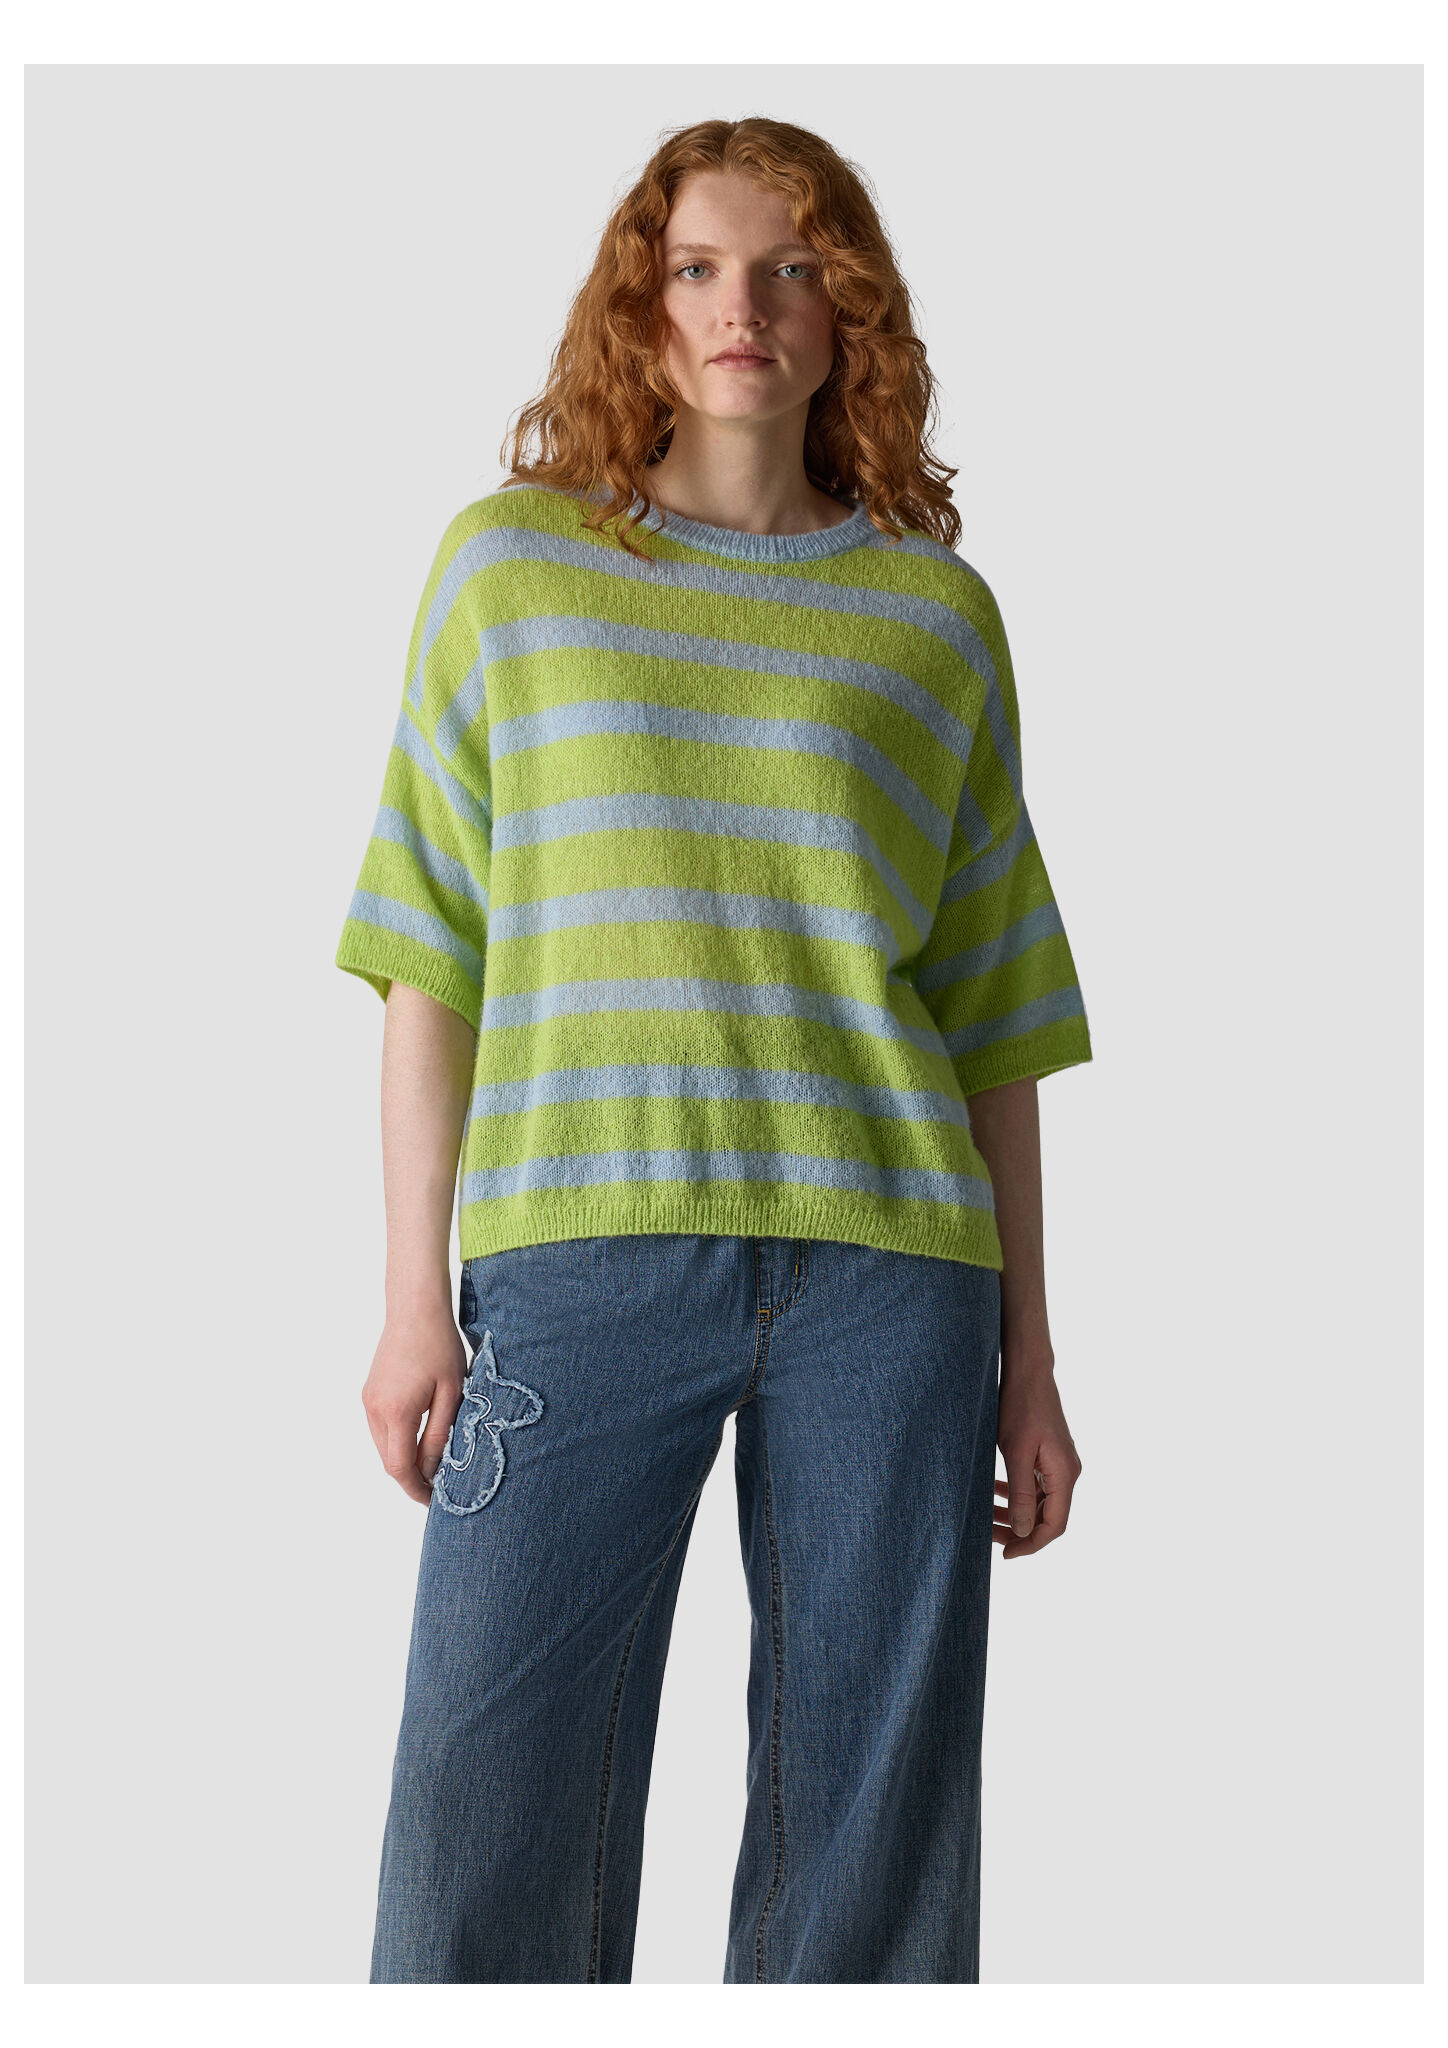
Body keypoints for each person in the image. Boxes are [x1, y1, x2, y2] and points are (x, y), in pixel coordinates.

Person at [335, 114, 1093, 1985]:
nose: (740, 306)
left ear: (851, 317)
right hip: (577, 1255)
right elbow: (430, 954)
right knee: (483, 1814)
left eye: (789, 269)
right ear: (641, 303)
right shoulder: (512, 575)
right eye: (695, 268)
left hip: (893, 1276)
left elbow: (993, 1016)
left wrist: (1033, 1359)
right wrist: (415, 1299)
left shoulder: (934, 621)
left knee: (872, 1845)